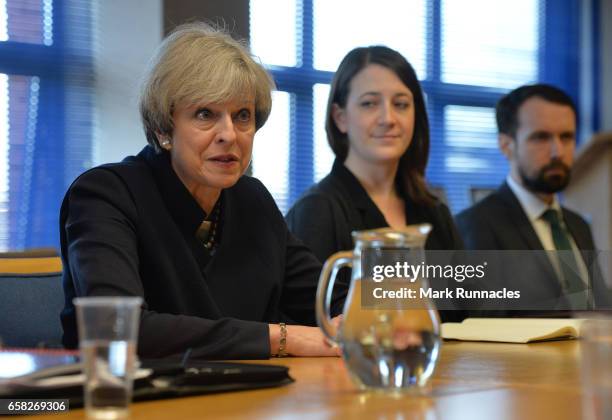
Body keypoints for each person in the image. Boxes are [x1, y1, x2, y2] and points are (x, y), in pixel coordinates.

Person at [59, 22, 343, 360]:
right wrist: (282, 338)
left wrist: (388, 307)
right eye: (205, 114)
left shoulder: (252, 200)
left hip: (247, 402)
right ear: (163, 128)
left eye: (242, 116)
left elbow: (332, 302)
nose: (229, 134)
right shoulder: (105, 195)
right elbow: (116, 329)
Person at [285, 46, 464, 320]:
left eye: (401, 104)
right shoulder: (317, 210)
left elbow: (468, 307)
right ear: (340, 117)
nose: (388, 119)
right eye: (369, 103)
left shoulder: (434, 211)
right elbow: (317, 320)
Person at [456, 84, 611, 310]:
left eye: (566, 137)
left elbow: (597, 309)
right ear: (506, 145)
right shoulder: (474, 226)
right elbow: (486, 323)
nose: (558, 152)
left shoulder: (578, 225)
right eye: (541, 138)